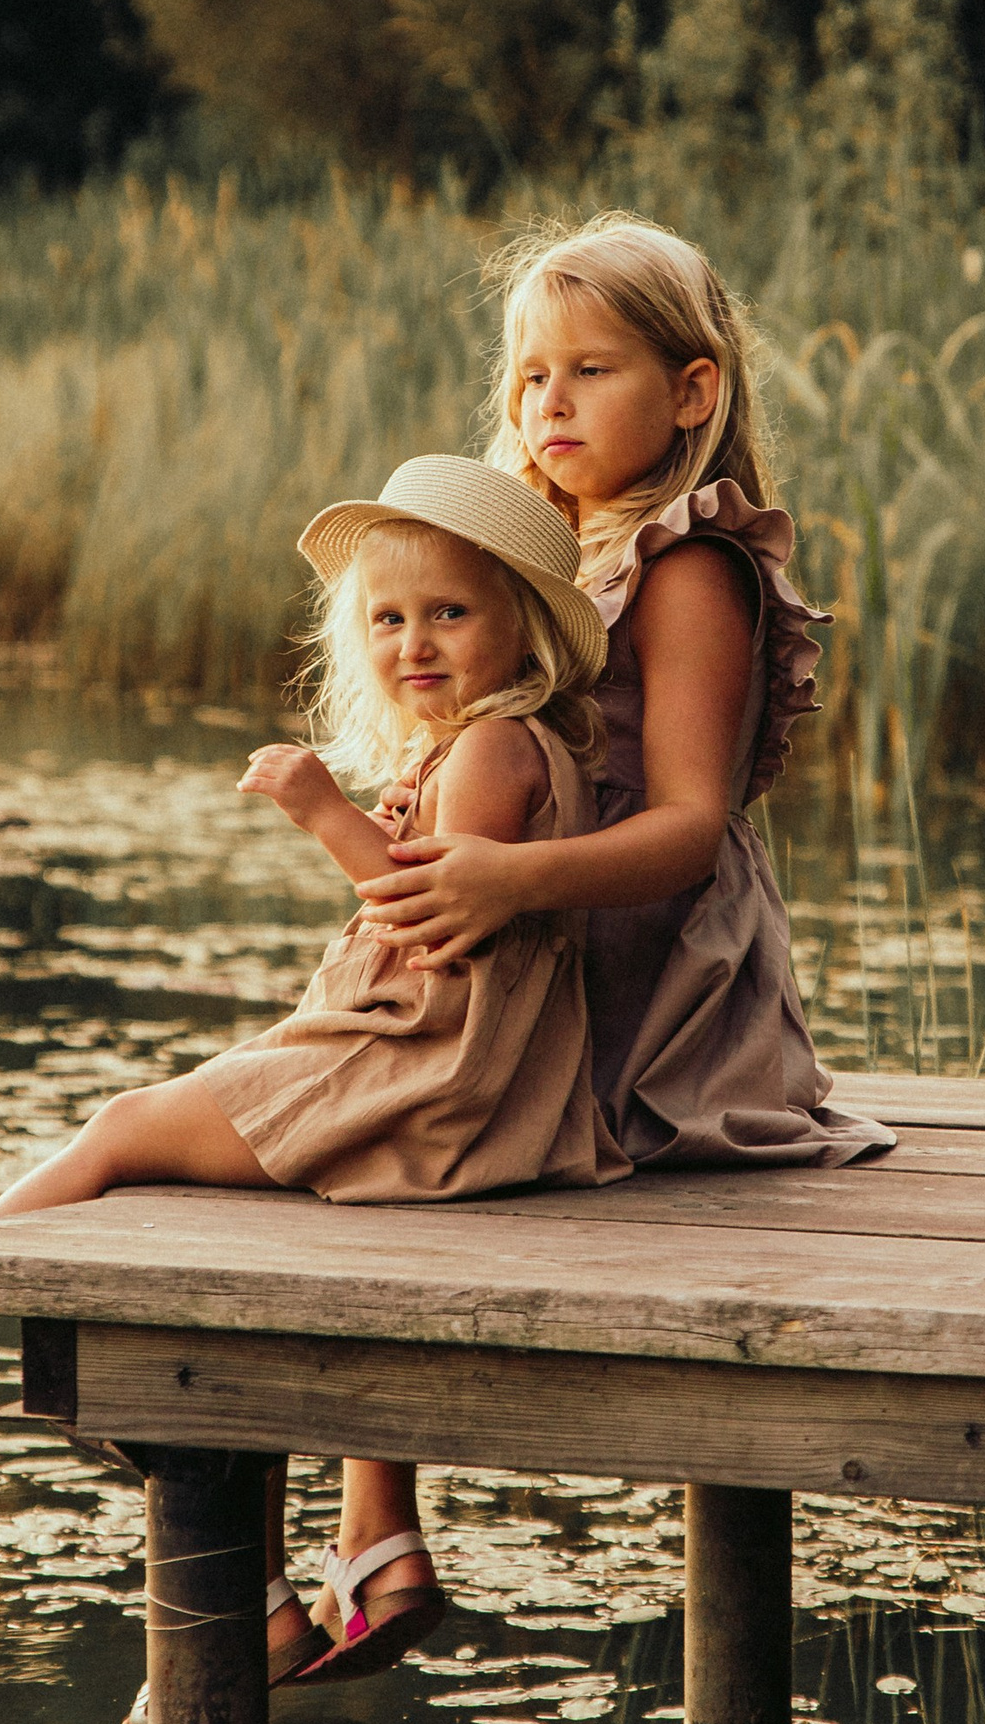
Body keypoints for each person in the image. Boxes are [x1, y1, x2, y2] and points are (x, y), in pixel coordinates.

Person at [0, 454, 625, 1692]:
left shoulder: (492, 752)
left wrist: (322, 808)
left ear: (522, 627)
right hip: (427, 1072)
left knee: (119, 1130)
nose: (415, 642)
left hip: (418, 1081)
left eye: (450, 614)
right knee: (172, 1206)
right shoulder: (484, 748)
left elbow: (437, 916)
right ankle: (313, 1579)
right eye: (388, 618)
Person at [356, 213, 895, 1170]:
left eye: (590, 372)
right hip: (543, 946)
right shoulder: (548, 562)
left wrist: (510, 876)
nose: (551, 403)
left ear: (693, 392)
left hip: (648, 974)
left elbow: (691, 826)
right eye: (532, 377)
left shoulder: (684, 567)